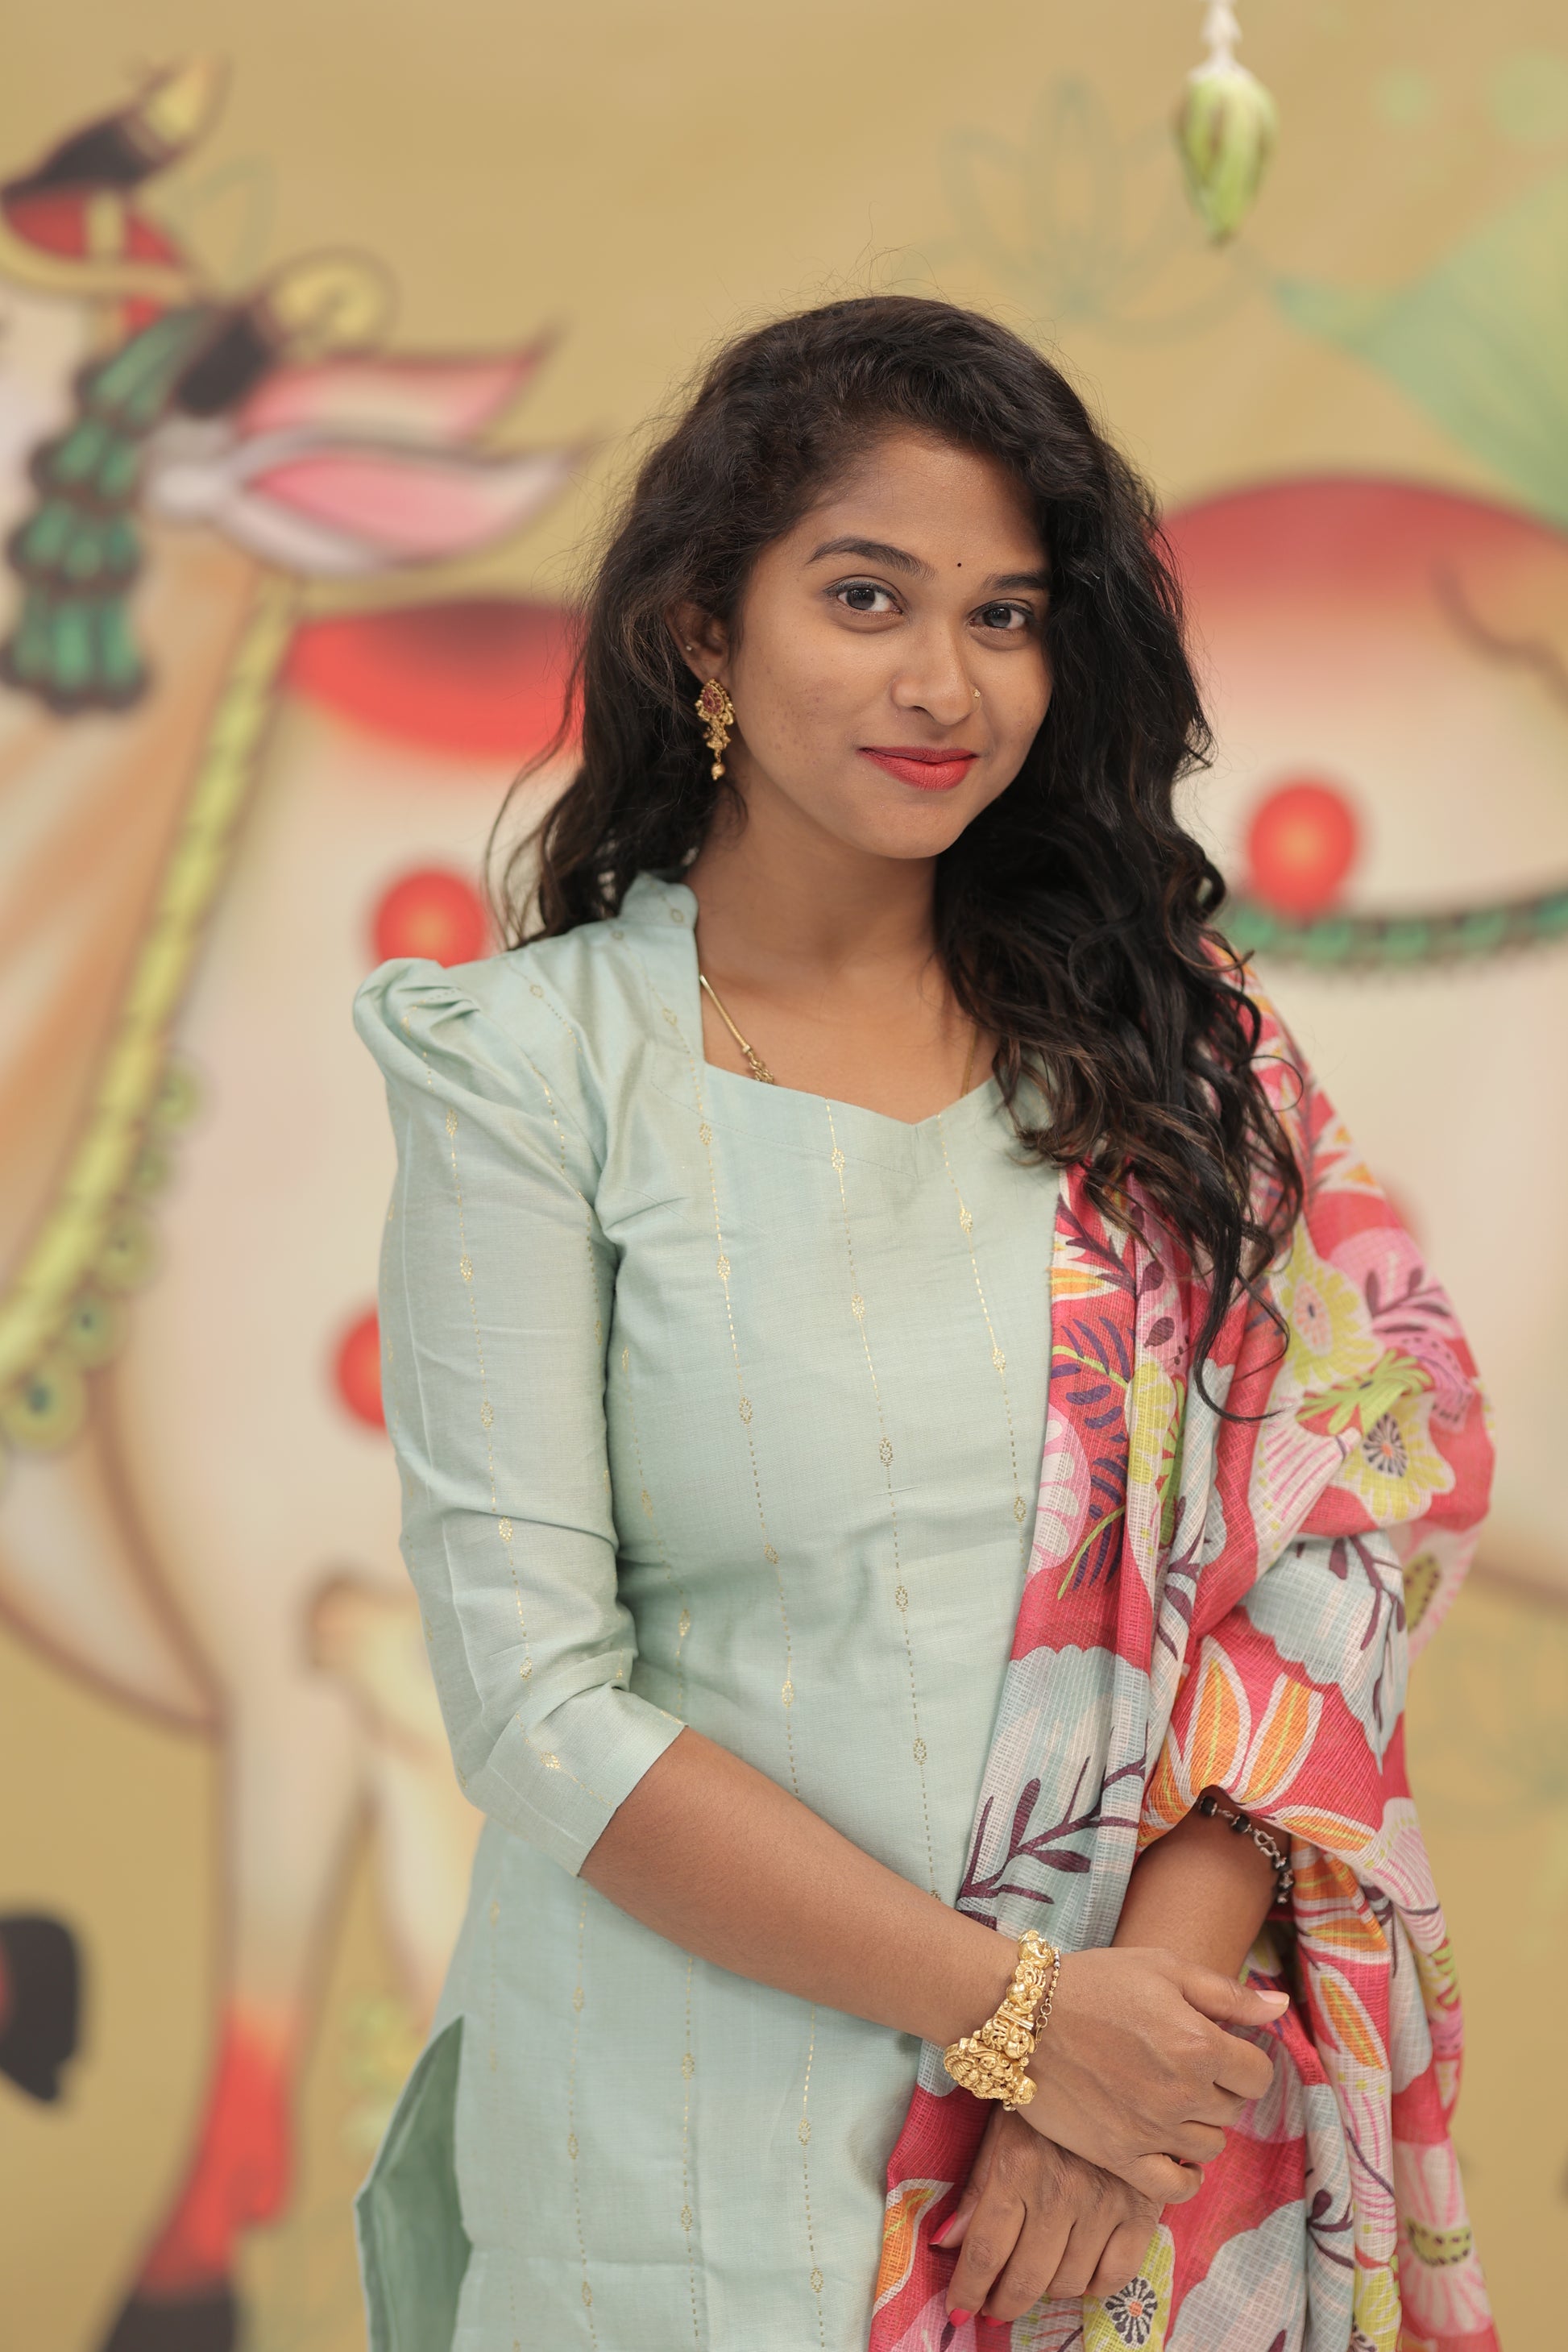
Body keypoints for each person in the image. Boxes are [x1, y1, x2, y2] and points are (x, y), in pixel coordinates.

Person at [352, 296, 1495, 2352]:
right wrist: (1018, 2019)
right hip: (679, 2155)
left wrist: (1125, 2060)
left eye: (1006, 615)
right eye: (864, 595)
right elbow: (535, 1702)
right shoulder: (534, 1069)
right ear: (703, 635)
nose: (942, 683)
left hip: (1136, 2139)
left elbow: (1344, 1527)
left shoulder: (1174, 1064)